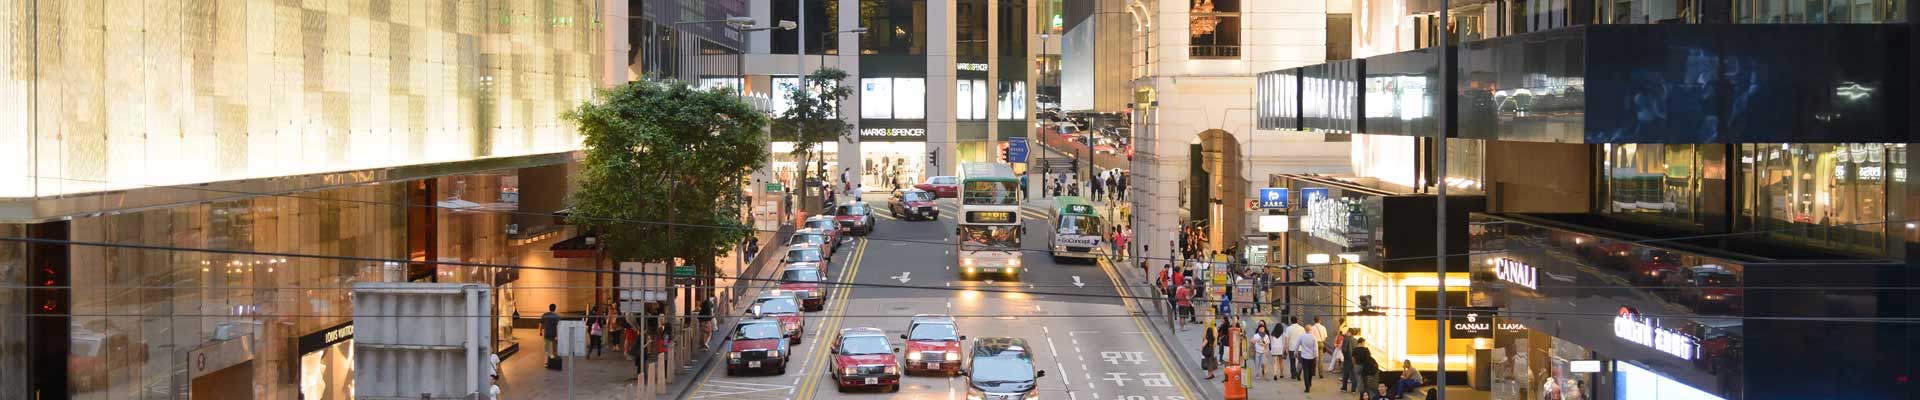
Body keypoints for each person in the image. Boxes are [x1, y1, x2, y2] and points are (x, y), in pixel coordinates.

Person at [1294, 325, 1320, 392]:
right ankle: (1310, 382)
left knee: (1306, 371)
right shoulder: (1314, 337)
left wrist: (1295, 353)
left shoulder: (1301, 337)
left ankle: (1307, 387)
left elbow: (1297, 345)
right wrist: (1316, 356)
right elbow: (1316, 348)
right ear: (1311, 330)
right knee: (1310, 371)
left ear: (1305, 330)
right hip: (1312, 357)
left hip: (1304, 357)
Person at [1340, 327, 1360, 392]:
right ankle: (1353, 389)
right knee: (1353, 374)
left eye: (1347, 331)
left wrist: (1344, 356)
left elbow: (1344, 349)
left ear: (1350, 332)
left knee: (1346, 373)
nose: (1346, 332)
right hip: (1354, 359)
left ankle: (1344, 388)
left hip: (1347, 359)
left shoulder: (1346, 339)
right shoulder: (1355, 340)